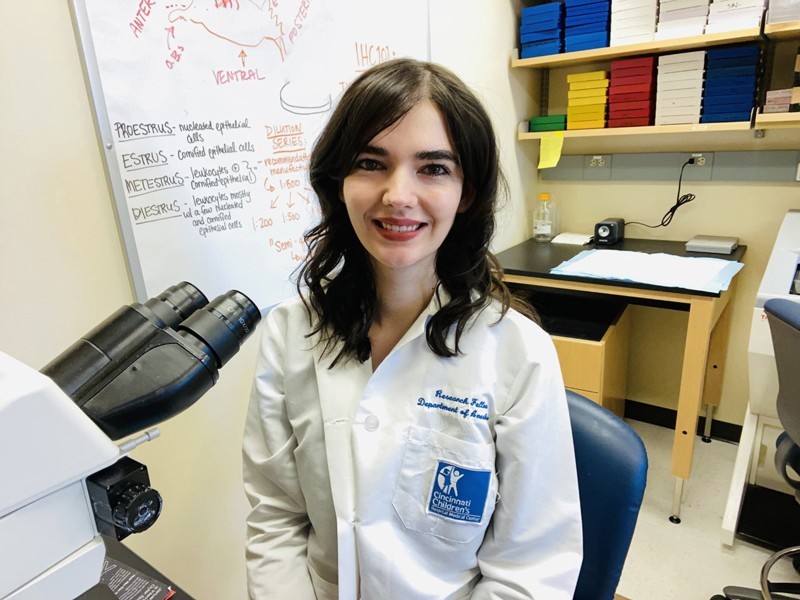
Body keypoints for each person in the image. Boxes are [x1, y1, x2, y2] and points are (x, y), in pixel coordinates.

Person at [243, 58, 582, 599]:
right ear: (339, 181)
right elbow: (277, 518)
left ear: (466, 192)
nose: (398, 195)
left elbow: (529, 574)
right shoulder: (290, 332)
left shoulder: (519, 355)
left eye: (433, 168)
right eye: (371, 163)